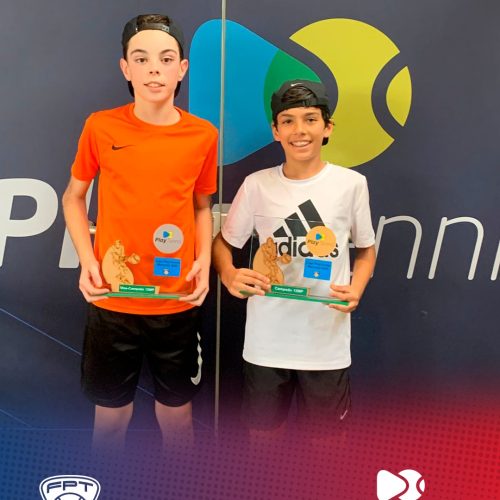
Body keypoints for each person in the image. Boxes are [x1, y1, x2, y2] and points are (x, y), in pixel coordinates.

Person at [62, 14, 218, 452]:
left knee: (178, 421)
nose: (154, 69)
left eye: (166, 59)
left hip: (176, 299)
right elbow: (73, 198)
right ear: (125, 68)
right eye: (142, 58)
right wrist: (88, 261)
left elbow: (202, 207)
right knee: (111, 421)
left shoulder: (203, 135)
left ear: (182, 69)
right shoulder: (101, 126)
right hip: (112, 300)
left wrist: (203, 261)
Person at [212, 79, 376, 441]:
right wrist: (228, 273)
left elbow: (366, 249)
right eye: (288, 121)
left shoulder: (352, 184)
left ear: (327, 127)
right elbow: (222, 244)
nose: (299, 130)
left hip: (326, 345)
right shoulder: (256, 184)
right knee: (263, 445)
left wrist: (357, 288)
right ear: (276, 131)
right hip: (266, 344)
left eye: (310, 119)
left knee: (327, 448)